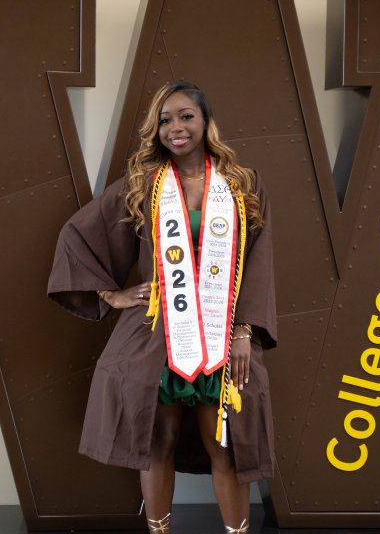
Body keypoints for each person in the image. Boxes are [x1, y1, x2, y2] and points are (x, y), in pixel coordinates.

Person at [48, 80, 276, 534]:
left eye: (186, 116)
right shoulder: (142, 186)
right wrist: (111, 296)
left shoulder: (240, 185)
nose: (176, 128)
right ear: (156, 129)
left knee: (225, 445)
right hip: (158, 332)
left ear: (206, 122)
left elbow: (258, 261)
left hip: (218, 331)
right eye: (165, 119)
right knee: (158, 438)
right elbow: (78, 235)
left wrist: (245, 331)